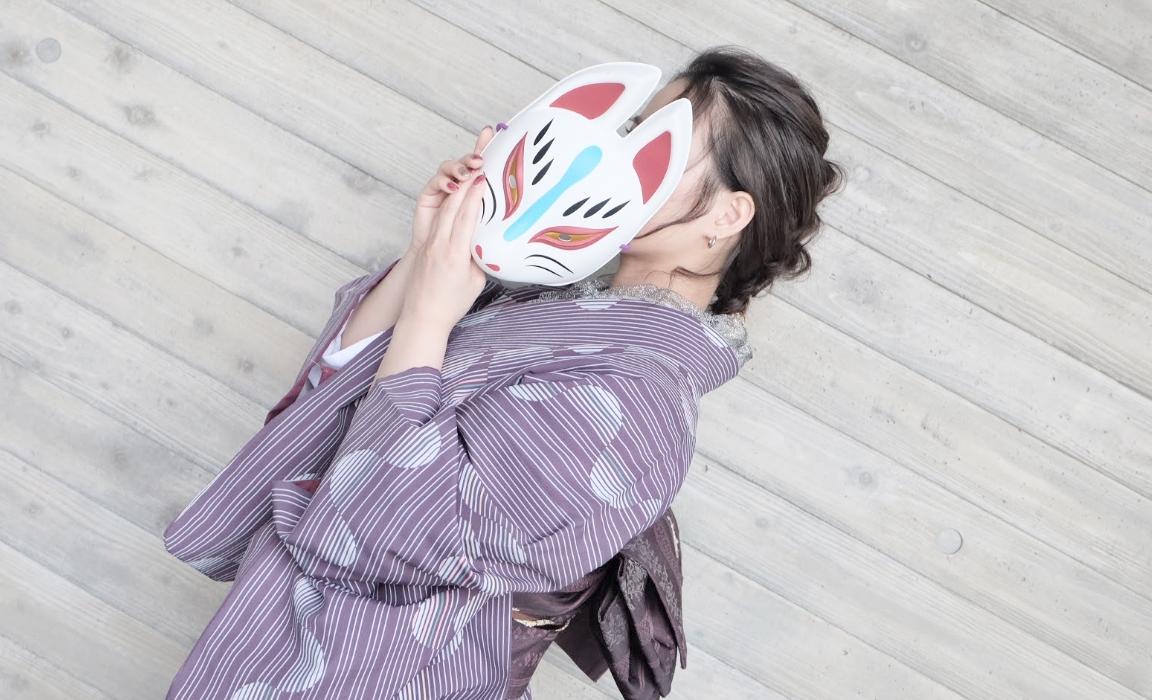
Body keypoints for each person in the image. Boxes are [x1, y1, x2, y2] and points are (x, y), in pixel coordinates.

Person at [163, 46, 843, 700]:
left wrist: (432, 315)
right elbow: (341, 386)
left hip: (360, 671)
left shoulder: (643, 399)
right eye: (633, 128)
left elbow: (385, 522)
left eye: (662, 146)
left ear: (727, 214)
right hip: (290, 650)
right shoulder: (548, 298)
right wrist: (430, 253)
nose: (621, 157)